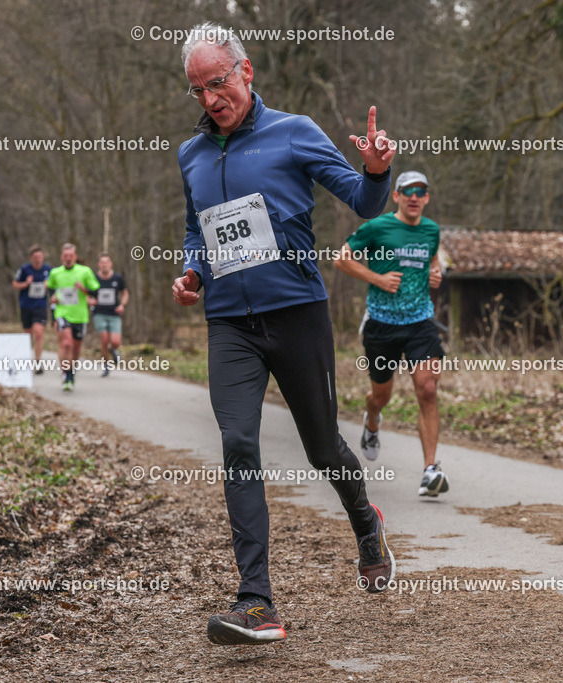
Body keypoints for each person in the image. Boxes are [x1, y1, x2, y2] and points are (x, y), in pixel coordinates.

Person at [171, 23, 396, 646]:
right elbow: (198, 227)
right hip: (230, 325)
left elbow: (364, 201)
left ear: (246, 72)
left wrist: (376, 170)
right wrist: (192, 269)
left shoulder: (294, 131)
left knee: (323, 449)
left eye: (219, 82)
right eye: (199, 89)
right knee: (238, 444)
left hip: (297, 313)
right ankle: (256, 601)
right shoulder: (191, 154)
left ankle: (365, 520)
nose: (212, 98)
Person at [334, 171, 449, 497]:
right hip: (382, 324)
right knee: (381, 396)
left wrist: (435, 273)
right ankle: (372, 419)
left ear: (426, 198)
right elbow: (342, 259)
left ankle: (429, 470)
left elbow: (432, 262)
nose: (414, 197)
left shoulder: (431, 230)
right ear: (396, 196)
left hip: (420, 322)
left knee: (427, 389)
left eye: (420, 192)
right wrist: (378, 278)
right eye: (407, 191)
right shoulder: (378, 227)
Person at [46, 243, 99, 391]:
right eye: (65, 256)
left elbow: (96, 291)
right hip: (62, 313)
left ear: (75, 257)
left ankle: (71, 371)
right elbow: (50, 287)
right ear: (61, 257)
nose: (68, 258)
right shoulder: (55, 273)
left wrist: (83, 289)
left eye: (71, 255)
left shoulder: (85, 271)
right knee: (67, 343)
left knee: (76, 348)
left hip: (80, 315)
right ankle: (67, 374)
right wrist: (53, 297)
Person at [13, 245, 52, 373]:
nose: (38, 260)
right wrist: (26, 283)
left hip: (40, 305)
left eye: (40, 257)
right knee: (28, 335)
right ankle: (25, 359)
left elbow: (54, 285)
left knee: (39, 332)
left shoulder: (48, 270)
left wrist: (49, 286)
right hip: (26, 306)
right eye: (35, 257)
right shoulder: (24, 269)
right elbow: (15, 284)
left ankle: (38, 362)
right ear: (31, 258)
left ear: (43, 257)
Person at [92, 253, 128, 377]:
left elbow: (125, 293)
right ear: (99, 265)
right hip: (99, 313)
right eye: (102, 262)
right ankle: (106, 365)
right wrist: (89, 300)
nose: (104, 265)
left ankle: (114, 350)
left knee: (115, 341)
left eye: (106, 262)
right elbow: (86, 294)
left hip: (114, 314)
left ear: (111, 264)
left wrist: (122, 305)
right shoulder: (94, 278)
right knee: (104, 340)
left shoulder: (117, 278)